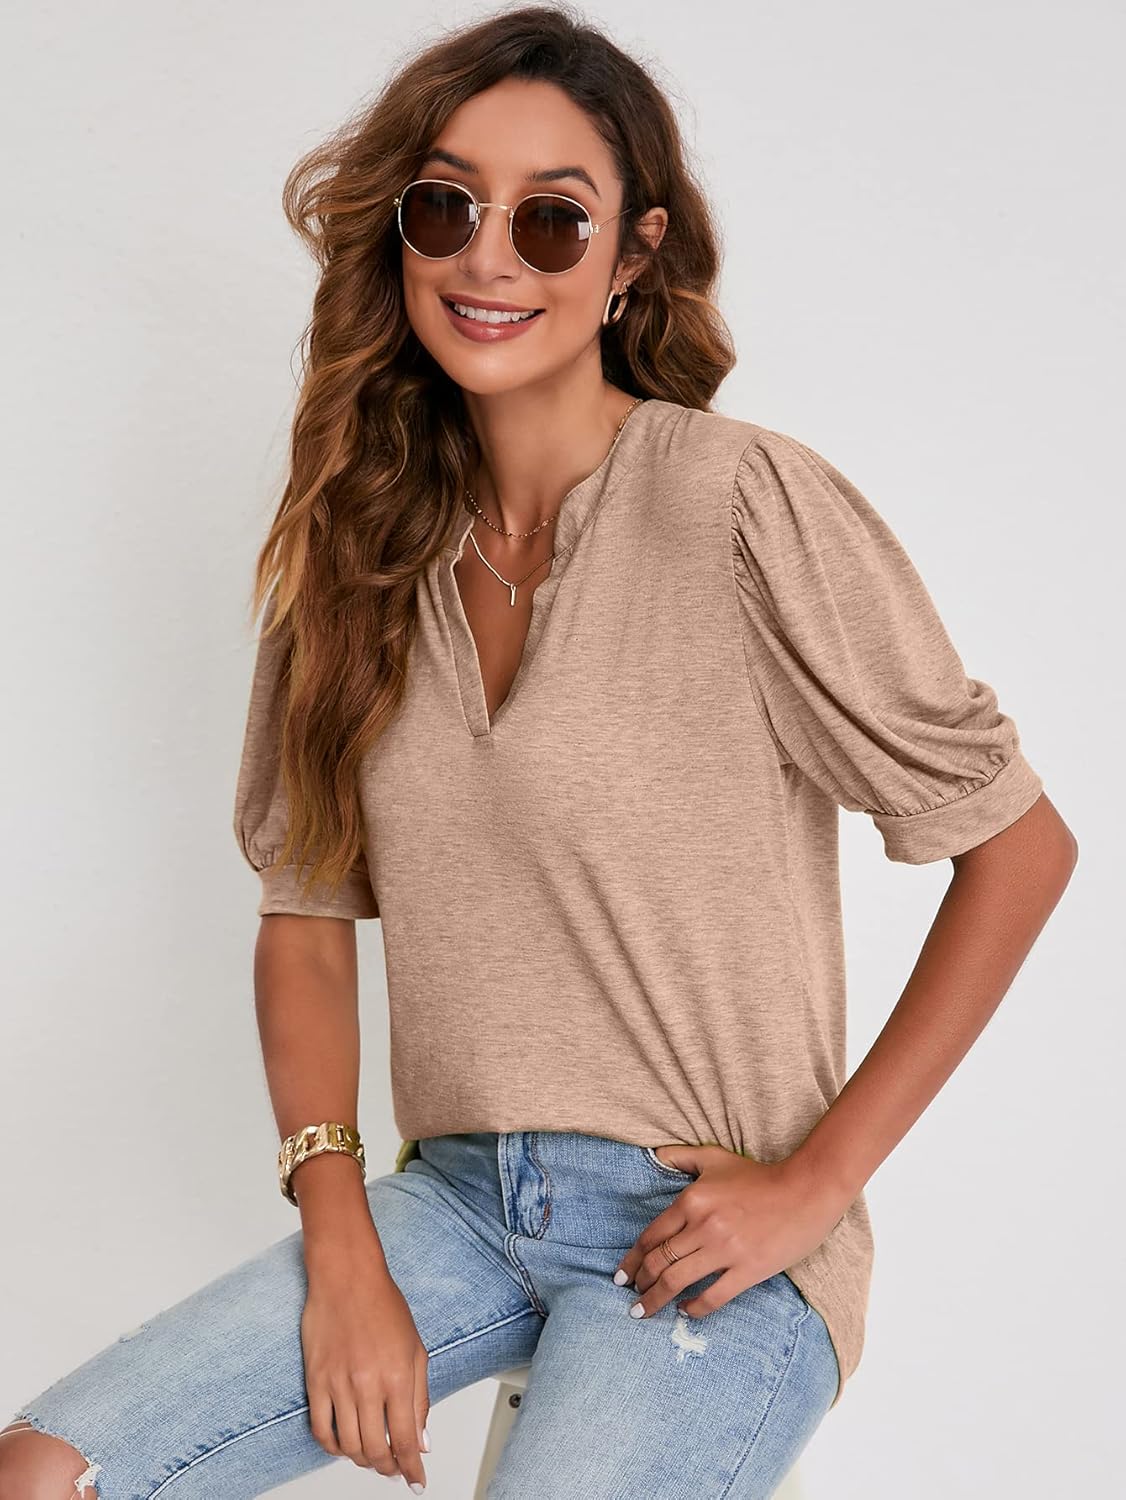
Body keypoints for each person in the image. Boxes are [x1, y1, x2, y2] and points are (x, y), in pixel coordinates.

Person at [1, 5, 1078, 1498]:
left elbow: (1019, 845)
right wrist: (342, 1249)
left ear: (632, 255)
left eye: (551, 220)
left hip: (701, 1232)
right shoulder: (358, 562)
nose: (488, 259)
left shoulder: (737, 504)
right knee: (48, 1473)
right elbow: (304, 918)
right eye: (447, 208)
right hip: (449, 1205)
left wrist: (816, 1187)